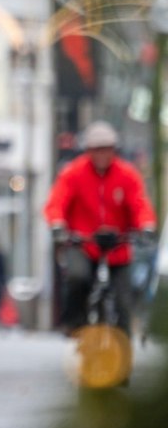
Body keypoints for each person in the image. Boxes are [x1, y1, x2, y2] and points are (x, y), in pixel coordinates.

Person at [43, 121, 156, 333]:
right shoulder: (73, 173)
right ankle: (76, 323)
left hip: (118, 245)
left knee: (123, 298)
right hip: (83, 243)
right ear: (88, 151)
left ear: (115, 150)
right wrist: (58, 225)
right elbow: (56, 202)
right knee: (77, 277)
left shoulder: (127, 175)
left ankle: (123, 346)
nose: (102, 154)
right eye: (97, 149)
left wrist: (146, 225)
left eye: (107, 149)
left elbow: (140, 204)